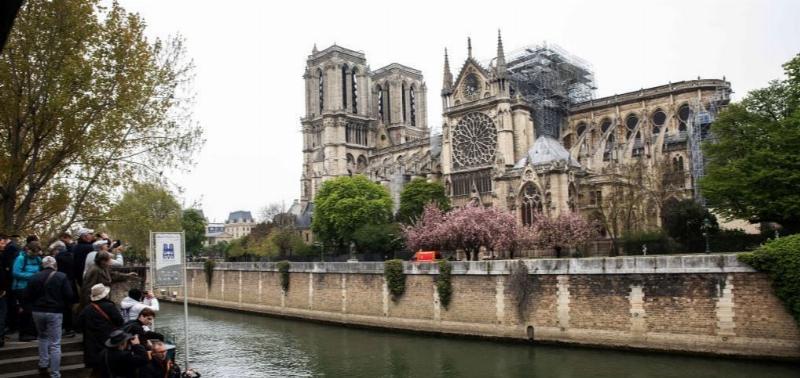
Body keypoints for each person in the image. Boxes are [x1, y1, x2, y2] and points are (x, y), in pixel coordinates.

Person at [25, 256, 73, 378]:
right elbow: (69, 295)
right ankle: (55, 373)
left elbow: (27, 296)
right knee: (55, 343)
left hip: (37, 311)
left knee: (42, 337)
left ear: (42, 265)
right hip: (55, 311)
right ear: (55, 265)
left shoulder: (34, 277)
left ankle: (43, 363)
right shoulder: (62, 276)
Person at [77, 284, 124, 376]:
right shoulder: (110, 306)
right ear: (105, 295)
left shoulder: (87, 308)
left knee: (97, 368)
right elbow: (119, 321)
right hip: (107, 340)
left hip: (91, 343)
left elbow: (78, 324)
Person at [13, 241, 43, 341]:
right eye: (34, 252)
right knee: (26, 311)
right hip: (22, 288)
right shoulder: (21, 258)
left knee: (34, 311)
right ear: (28, 250)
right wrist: (32, 276)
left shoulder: (38, 259)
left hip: (34, 288)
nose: (35, 254)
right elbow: (16, 273)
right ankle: (25, 334)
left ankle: (34, 333)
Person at [52, 240, 77, 338]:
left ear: (57, 249)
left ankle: (63, 328)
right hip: (71, 284)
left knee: (61, 307)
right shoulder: (71, 256)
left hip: (61, 284)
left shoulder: (57, 258)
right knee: (69, 307)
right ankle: (69, 328)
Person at [1, 233, 21, 336]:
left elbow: (8, 264)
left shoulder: (10, 248)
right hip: (11, 280)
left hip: (9, 280)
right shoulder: (15, 246)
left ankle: (12, 326)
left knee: (10, 303)